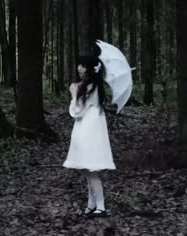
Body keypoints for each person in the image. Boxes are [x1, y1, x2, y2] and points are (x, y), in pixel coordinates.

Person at [63, 53, 116, 217]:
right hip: (90, 129)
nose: (79, 68)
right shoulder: (93, 85)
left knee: (91, 171)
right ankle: (92, 203)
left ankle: (100, 206)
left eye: (83, 66)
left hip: (88, 131)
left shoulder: (90, 87)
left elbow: (76, 111)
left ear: (91, 69)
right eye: (79, 65)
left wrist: (73, 95)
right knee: (88, 171)